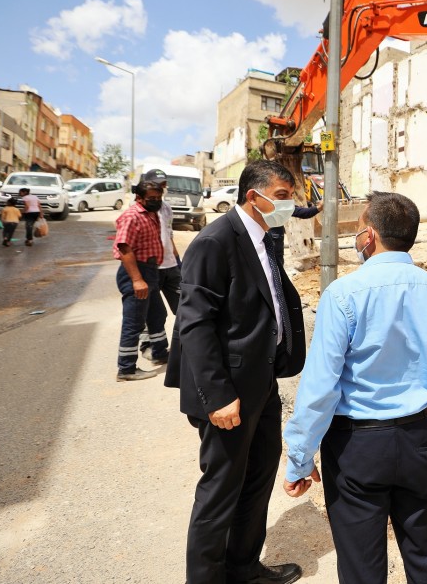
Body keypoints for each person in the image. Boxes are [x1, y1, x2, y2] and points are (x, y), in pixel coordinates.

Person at [283, 191, 427, 584]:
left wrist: (300, 455)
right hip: (417, 436)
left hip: (356, 447)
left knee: (362, 566)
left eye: (361, 230)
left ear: (369, 237)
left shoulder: (343, 294)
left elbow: (320, 387)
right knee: (423, 554)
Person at [165, 159, 307, 584]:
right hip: (228, 391)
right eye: (282, 197)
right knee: (221, 490)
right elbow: (194, 323)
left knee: (259, 476)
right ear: (254, 196)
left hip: (260, 383)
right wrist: (218, 395)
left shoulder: (266, 236)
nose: (289, 205)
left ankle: (243, 566)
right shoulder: (215, 241)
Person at [113, 180, 169, 380]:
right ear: (139, 197)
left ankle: (159, 353)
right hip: (137, 272)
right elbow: (124, 248)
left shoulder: (151, 213)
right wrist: (137, 280)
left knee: (157, 315)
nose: (156, 201)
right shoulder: (132, 216)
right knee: (134, 322)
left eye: (159, 198)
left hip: (151, 272)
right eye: (151, 198)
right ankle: (126, 369)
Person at [137, 168, 181, 364]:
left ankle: (186, 346)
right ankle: (152, 348)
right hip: (150, 268)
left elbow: (169, 235)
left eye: (163, 184)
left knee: (184, 305)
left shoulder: (166, 208)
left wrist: (177, 260)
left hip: (170, 266)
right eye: (157, 184)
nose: (161, 188)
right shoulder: (138, 209)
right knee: (154, 312)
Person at [267, 199, 324, 266]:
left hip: (275, 238)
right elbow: (302, 213)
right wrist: (319, 208)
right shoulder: (277, 205)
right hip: (273, 240)